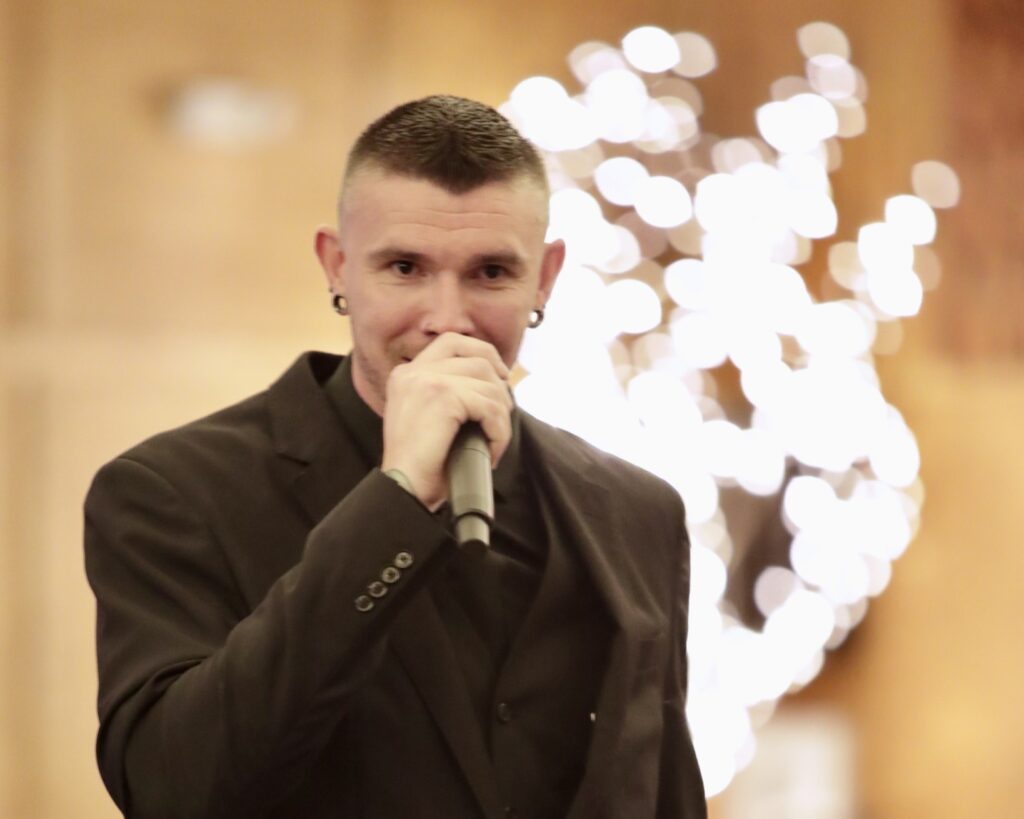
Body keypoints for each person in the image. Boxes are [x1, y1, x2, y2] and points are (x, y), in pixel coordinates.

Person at [84, 95, 707, 819]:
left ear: (545, 278)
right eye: (406, 267)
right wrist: (397, 500)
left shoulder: (639, 512)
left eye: (492, 272)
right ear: (338, 267)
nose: (447, 316)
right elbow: (170, 789)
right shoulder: (174, 492)